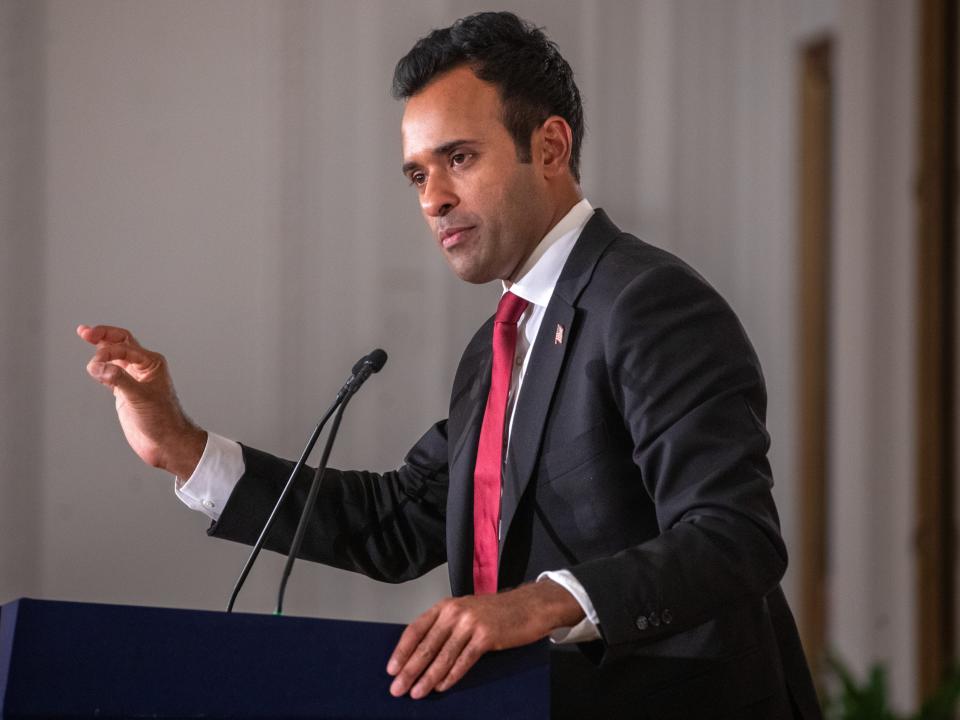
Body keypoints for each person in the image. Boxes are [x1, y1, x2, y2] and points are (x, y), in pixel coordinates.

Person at [79, 11, 822, 720]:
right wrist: (183, 450)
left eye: (459, 159)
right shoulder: (495, 350)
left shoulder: (648, 302)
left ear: (552, 147)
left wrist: (539, 602)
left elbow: (733, 537)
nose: (433, 199)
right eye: (415, 175)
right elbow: (397, 524)